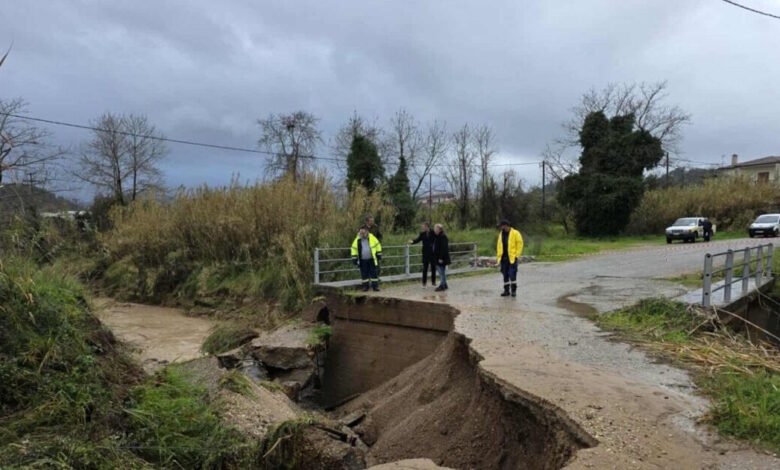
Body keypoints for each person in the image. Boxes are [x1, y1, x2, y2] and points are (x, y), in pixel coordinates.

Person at [496, 219, 524, 297]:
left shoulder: (515, 233)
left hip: (511, 258)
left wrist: (517, 255)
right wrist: (498, 257)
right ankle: (506, 290)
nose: (500, 227)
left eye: (501, 226)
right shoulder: (501, 234)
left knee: (512, 275)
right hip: (503, 258)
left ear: (505, 225)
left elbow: (520, 244)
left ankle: (513, 291)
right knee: (505, 275)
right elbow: (499, 246)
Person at [351, 225, 382, 292]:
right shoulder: (357, 239)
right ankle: (365, 287)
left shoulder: (372, 237)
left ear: (367, 231)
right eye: (361, 233)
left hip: (372, 259)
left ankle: (375, 286)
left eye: (363, 233)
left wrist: (379, 254)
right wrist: (354, 258)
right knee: (364, 274)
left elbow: (378, 245)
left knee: (374, 273)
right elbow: (353, 249)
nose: (362, 234)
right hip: (362, 260)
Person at [408, 222, 436, 288]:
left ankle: (433, 282)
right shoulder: (422, 234)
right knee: (425, 269)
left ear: (427, 226)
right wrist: (412, 242)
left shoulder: (433, 232)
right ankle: (424, 283)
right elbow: (417, 240)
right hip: (425, 253)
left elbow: (437, 239)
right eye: (422, 227)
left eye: (423, 226)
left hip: (432, 253)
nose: (422, 228)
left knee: (433, 268)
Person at [432, 223, 450, 292]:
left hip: (441, 258)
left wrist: (440, 258)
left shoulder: (443, 236)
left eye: (435, 229)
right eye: (434, 228)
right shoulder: (438, 236)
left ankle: (442, 286)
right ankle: (444, 284)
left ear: (439, 229)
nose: (434, 230)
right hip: (438, 257)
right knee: (441, 272)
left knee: (441, 272)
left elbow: (443, 248)